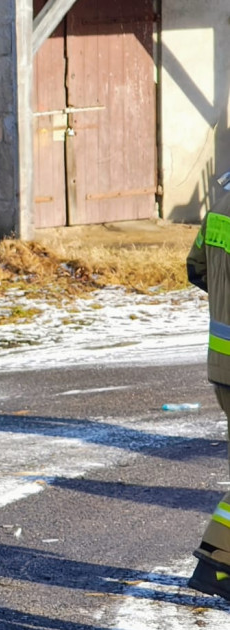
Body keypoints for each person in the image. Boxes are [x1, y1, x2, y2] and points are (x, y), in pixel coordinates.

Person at [186, 174, 230, 599]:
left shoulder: (222, 198)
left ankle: (218, 565)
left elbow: (195, 268)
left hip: (223, 364)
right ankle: (217, 565)